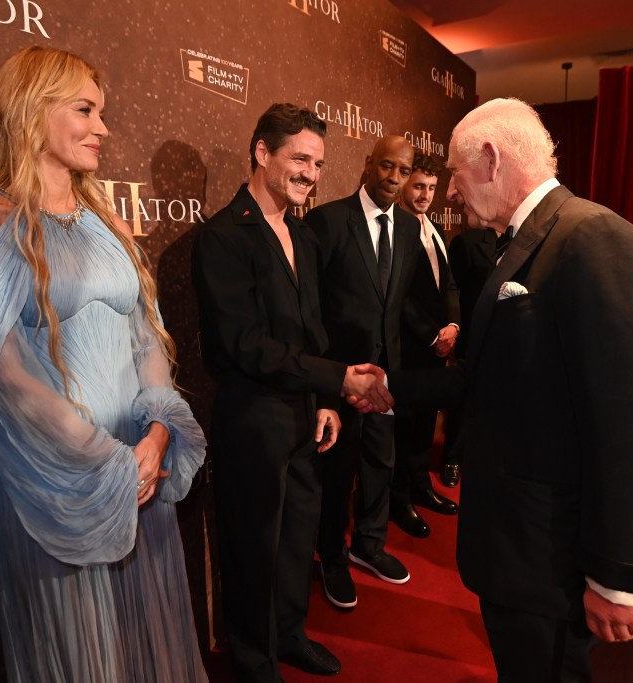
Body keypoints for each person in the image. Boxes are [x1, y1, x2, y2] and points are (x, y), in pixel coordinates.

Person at [0, 46, 207, 682]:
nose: (104, 129)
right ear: (30, 111)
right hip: (55, 484)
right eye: (85, 110)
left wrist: (158, 434)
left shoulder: (108, 225)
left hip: (144, 471)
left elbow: (148, 344)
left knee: (150, 649)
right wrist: (107, 464)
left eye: (102, 113)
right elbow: (6, 380)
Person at [382, 98, 633, 680]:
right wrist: (392, 387)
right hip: (525, 560)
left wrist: (620, 577)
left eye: (454, 171)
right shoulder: (531, 242)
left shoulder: (596, 243)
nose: (448, 191)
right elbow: (492, 377)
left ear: (492, 159)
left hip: (562, 573)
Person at [191, 104, 392, 683]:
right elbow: (242, 345)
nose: (311, 172)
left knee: (296, 536)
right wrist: (337, 381)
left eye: (319, 163)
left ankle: (289, 636)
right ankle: (255, 664)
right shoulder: (224, 237)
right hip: (252, 416)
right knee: (252, 548)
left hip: (306, 412)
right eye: (299, 158)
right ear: (262, 152)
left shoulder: (303, 234)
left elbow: (313, 333)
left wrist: (326, 401)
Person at [307, 135, 423, 609]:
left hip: (386, 379)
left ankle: (369, 546)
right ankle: (332, 555)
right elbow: (310, 308)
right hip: (340, 378)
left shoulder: (413, 230)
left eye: (403, 170)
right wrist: (332, 376)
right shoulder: (328, 221)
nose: (393, 178)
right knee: (336, 476)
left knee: (381, 465)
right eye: (386, 167)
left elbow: (397, 306)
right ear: (368, 164)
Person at [389, 152, 460, 539]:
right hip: (409, 351)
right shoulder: (395, 229)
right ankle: (399, 501)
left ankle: (420, 488)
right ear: (404, 184)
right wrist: (433, 335)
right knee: (404, 429)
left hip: (437, 350)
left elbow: (448, 284)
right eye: (418, 186)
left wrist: (452, 326)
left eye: (431, 188)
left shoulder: (434, 228)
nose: (425, 195)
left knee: (423, 429)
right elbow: (397, 297)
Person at [440, 225, 498, 488]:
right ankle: (452, 458)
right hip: (474, 336)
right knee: (462, 403)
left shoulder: (524, 239)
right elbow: (454, 292)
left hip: (508, 338)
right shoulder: (468, 242)